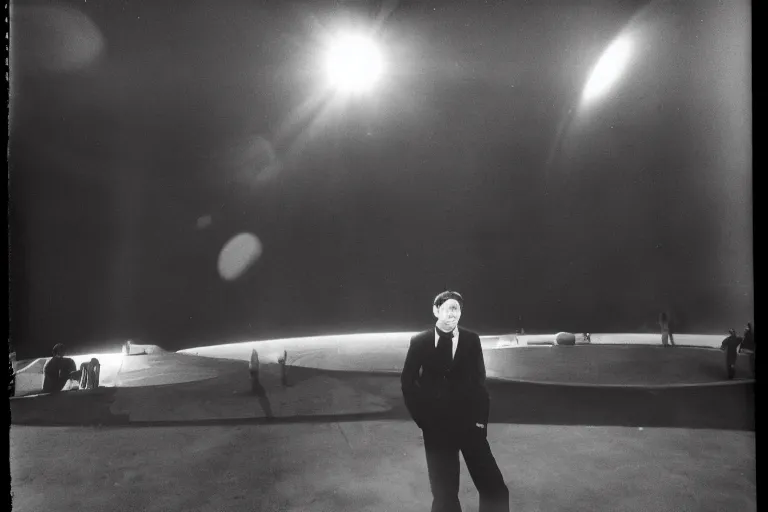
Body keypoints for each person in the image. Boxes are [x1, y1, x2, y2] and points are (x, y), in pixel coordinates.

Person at [401, 290, 509, 512]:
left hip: (470, 425)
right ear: (435, 311)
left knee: (495, 488)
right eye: (447, 308)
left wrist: (480, 421)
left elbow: (480, 382)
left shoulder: (471, 340)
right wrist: (423, 419)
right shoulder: (420, 341)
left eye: (456, 308)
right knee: (444, 496)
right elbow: (407, 382)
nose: (452, 313)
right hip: (437, 428)